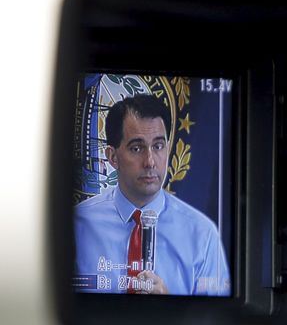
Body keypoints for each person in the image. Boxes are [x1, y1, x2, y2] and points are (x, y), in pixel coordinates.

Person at [74, 94, 230, 296]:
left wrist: (169, 309)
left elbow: (216, 321)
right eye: (137, 148)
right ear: (112, 157)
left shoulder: (202, 234)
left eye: (158, 146)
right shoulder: (77, 223)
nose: (150, 162)